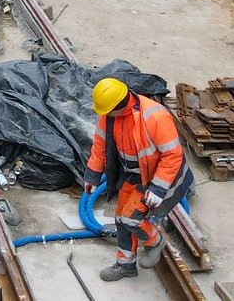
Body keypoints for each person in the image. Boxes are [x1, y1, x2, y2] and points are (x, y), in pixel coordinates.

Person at [83, 78, 193, 282]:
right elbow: (99, 146)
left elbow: (172, 156)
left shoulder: (155, 116)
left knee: (131, 218)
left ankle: (155, 240)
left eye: (107, 110)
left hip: (157, 175)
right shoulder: (109, 116)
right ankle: (125, 265)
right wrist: (92, 176)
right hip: (133, 175)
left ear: (118, 104)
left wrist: (158, 188)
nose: (104, 114)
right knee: (120, 220)